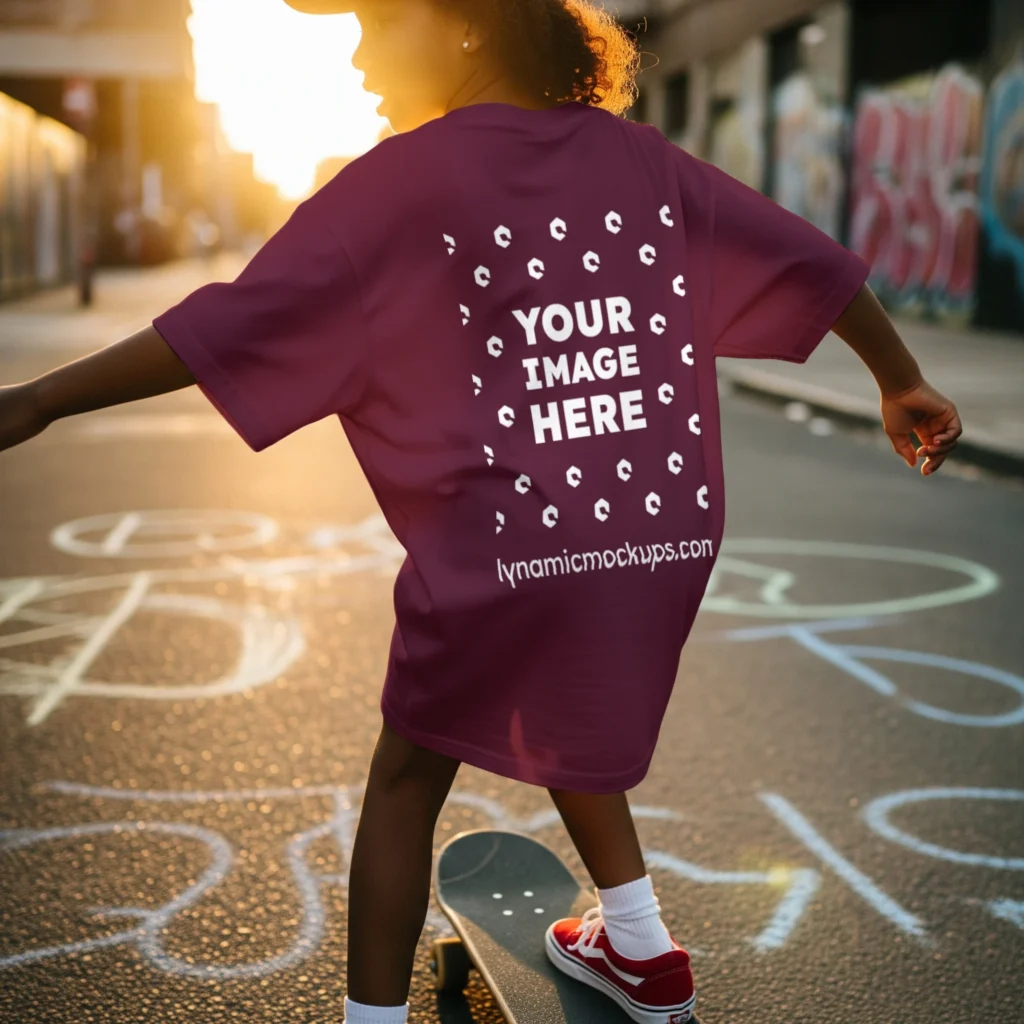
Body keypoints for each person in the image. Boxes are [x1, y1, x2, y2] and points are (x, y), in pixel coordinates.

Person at [0, 1, 963, 1021]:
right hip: (657, 530)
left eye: (376, 26)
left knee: (407, 777)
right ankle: (638, 947)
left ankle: (369, 1019)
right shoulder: (643, 162)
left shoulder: (397, 182)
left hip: (511, 544)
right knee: (557, 693)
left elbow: (230, 325)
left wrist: (43, 396)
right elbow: (808, 263)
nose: (360, 56)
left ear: (464, 27)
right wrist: (899, 380)